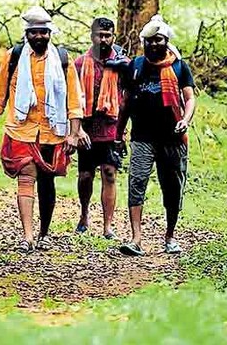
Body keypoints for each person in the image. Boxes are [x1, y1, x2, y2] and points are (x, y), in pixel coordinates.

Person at [0, 6, 88, 252]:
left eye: (43, 32)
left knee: (47, 182)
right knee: (26, 178)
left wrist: (73, 133)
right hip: (21, 129)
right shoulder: (14, 57)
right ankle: (27, 236)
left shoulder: (62, 59)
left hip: (52, 131)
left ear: (49, 33)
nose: (39, 37)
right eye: (34, 33)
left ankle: (44, 233)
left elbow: (74, 98)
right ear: (26, 34)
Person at [118, 14, 196, 256]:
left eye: (158, 39)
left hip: (172, 138)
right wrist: (118, 133)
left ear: (166, 41)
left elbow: (190, 98)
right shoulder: (136, 66)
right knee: (137, 181)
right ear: (144, 42)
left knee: (172, 187)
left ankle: (170, 236)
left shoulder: (179, 67)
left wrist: (185, 120)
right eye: (149, 40)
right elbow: (126, 102)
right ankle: (136, 238)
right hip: (142, 137)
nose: (153, 44)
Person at [73, 17, 130, 239]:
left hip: (111, 127)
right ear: (92, 36)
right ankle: (84, 216)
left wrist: (123, 130)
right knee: (85, 175)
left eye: (107, 35)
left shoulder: (122, 65)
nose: (103, 39)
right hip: (86, 127)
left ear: (113, 37)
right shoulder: (79, 64)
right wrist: (75, 130)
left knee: (109, 173)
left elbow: (127, 97)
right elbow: (72, 99)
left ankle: (107, 226)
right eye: (99, 35)